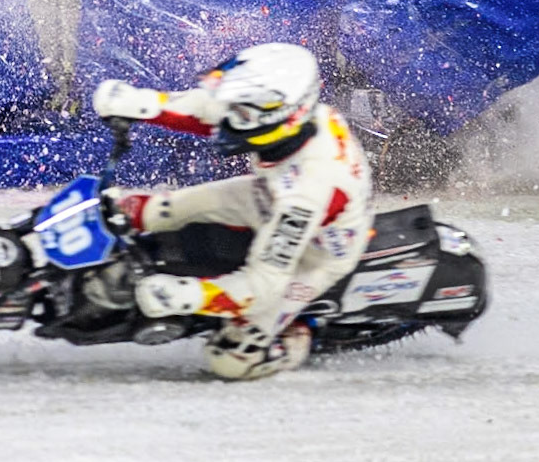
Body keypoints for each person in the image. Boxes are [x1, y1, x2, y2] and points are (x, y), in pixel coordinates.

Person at [90, 42, 373, 381]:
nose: (230, 116)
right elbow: (208, 109)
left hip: (317, 253)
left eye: (241, 112)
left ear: (283, 117)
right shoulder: (286, 119)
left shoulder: (307, 193)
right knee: (145, 209)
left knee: (231, 358)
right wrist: (141, 103)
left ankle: (301, 331)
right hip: (267, 195)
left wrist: (192, 296)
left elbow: (263, 283)